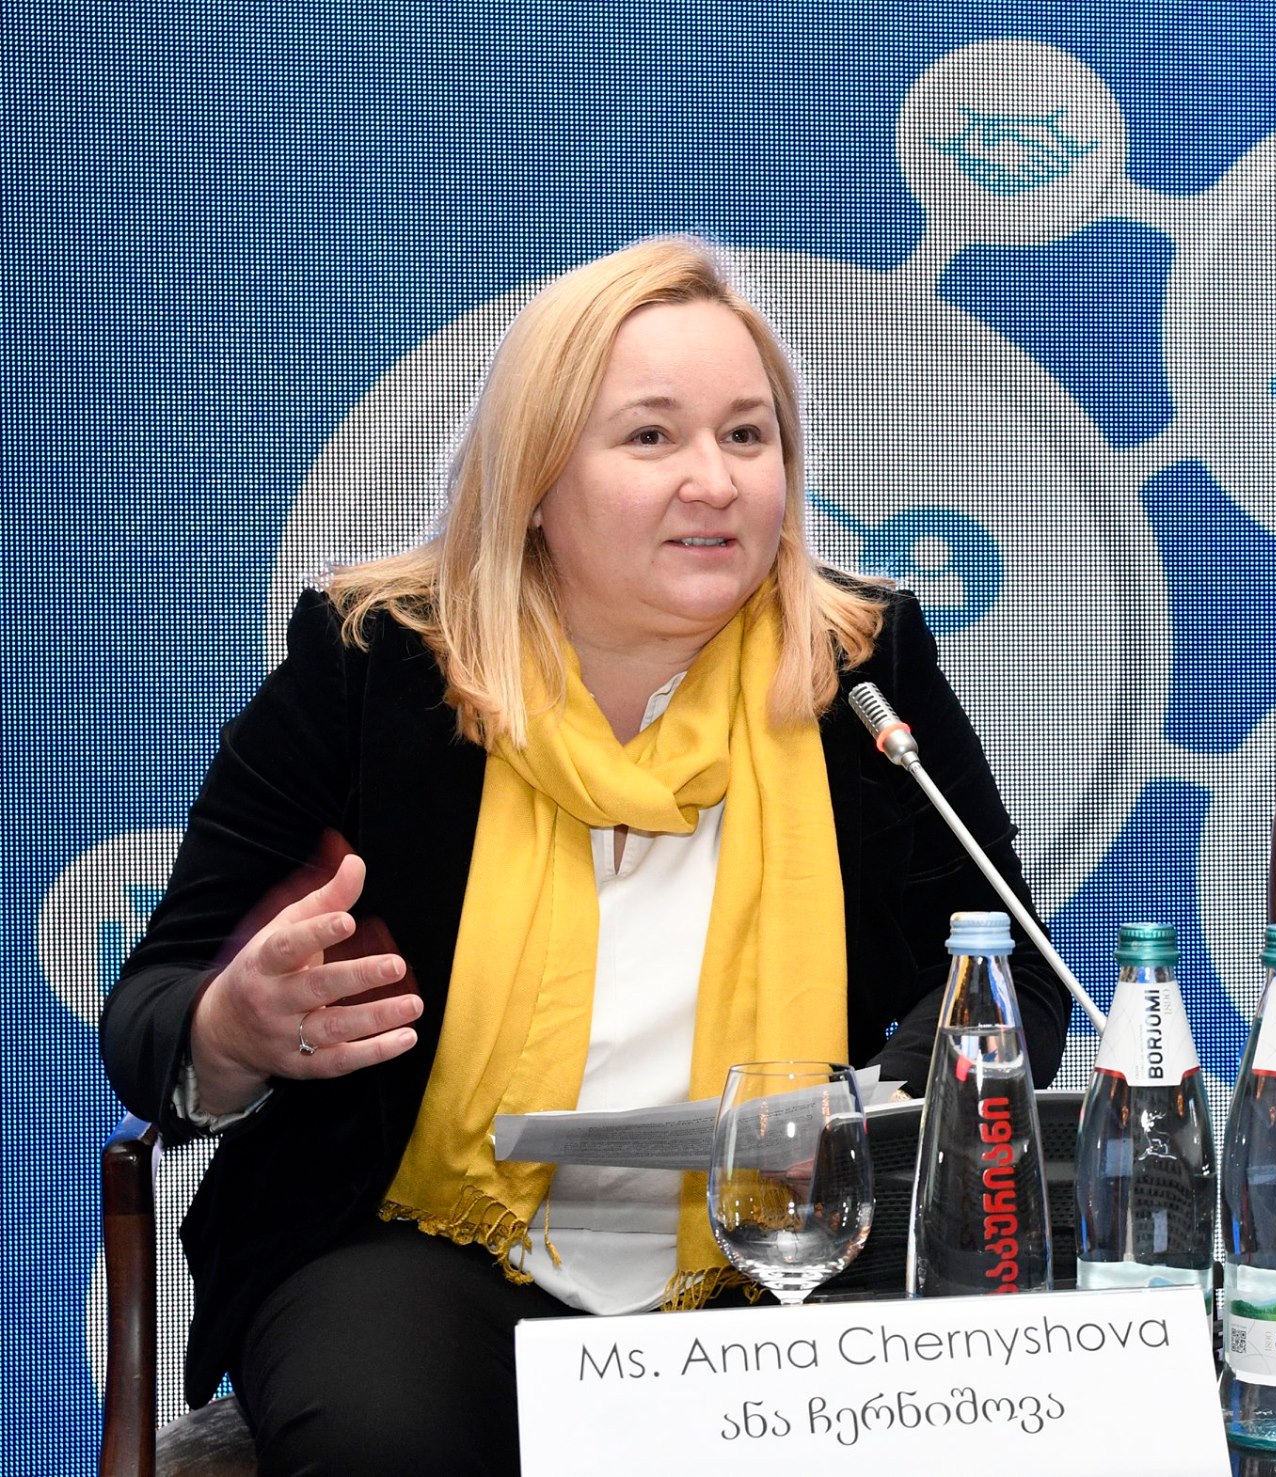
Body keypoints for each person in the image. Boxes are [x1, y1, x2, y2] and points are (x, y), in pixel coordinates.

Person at [100, 235, 1068, 1473]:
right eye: (651, 436)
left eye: (748, 435)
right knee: (383, 1435)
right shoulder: (374, 665)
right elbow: (155, 1007)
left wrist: (876, 1107)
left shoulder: (855, 668)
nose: (714, 481)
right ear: (535, 479)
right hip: (421, 1238)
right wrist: (233, 1030)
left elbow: (1013, 979)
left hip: (792, 1252)